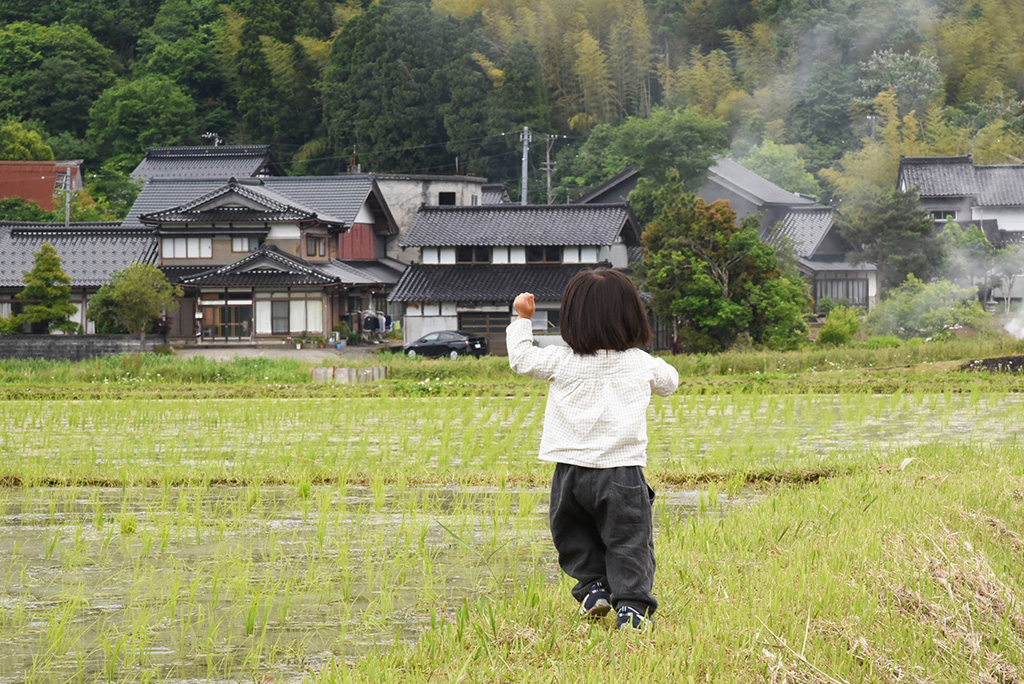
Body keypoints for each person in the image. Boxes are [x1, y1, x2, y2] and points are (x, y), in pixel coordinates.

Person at [506, 268, 679, 631]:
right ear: (632, 317)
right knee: (629, 542)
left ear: (571, 319)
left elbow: (521, 358)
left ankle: (593, 588)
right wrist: (651, 364)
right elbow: (670, 383)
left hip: (570, 471)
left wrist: (523, 319)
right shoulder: (640, 362)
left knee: (572, 533)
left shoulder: (560, 359)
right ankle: (631, 608)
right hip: (622, 473)